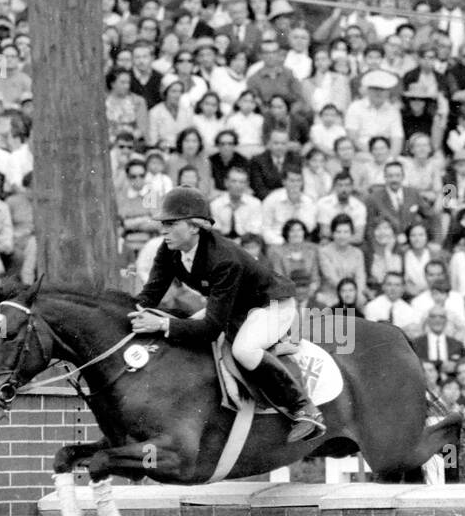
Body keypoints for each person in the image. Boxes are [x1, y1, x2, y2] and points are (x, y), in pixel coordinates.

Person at [130, 187, 324, 442]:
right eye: (163, 223)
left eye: (170, 223)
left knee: (244, 350)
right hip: (236, 306)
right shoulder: (169, 249)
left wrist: (161, 323)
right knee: (183, 327)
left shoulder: (223, 259)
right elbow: (150, 294)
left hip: (271, 305)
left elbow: (211, 328)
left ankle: (304, 407)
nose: (163, 230)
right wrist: (130, 315)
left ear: (194, 226)